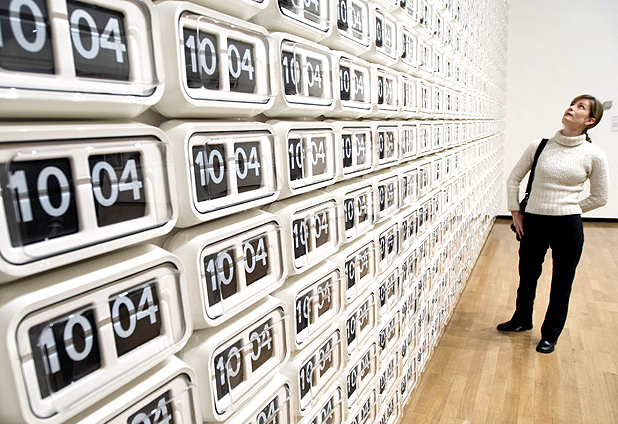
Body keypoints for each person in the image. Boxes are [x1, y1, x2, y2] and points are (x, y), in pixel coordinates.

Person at [498, 94, 610, 354]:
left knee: (561, 282)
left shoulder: (594, 154)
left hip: (567, 227)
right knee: (527, 275)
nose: (571, 108)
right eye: (572, 103)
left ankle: (550, 334)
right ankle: (521, 319)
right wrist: (515, 213)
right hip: (534, 222)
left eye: (580, 107)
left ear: (590, 120)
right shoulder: (540, 146)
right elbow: (514, 179)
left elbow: (600, 196)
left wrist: (570, 209)